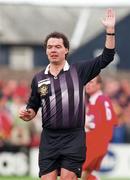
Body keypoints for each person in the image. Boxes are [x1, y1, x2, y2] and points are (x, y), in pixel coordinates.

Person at [19, 8, 116, 180]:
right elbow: (33, 106)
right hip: (49, 138)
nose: (53, 50)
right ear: (46, 51)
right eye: (50, 47)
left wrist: (109, 31)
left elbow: (107, 57)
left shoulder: (78, 71)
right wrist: (28, 113)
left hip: (73, 137)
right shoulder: (39, 78)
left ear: (66, 50)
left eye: (58, 46)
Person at [82, 76, 118, 180]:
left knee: (75, 170)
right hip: (99, 142)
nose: (88, 85)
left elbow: (97, 124)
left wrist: (86, 124)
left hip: (95, 141)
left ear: (99, 85)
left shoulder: (99, 100)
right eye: (86, 82)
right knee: (85, 173)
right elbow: (114, 121)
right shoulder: (101, 100)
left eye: (91, 82)